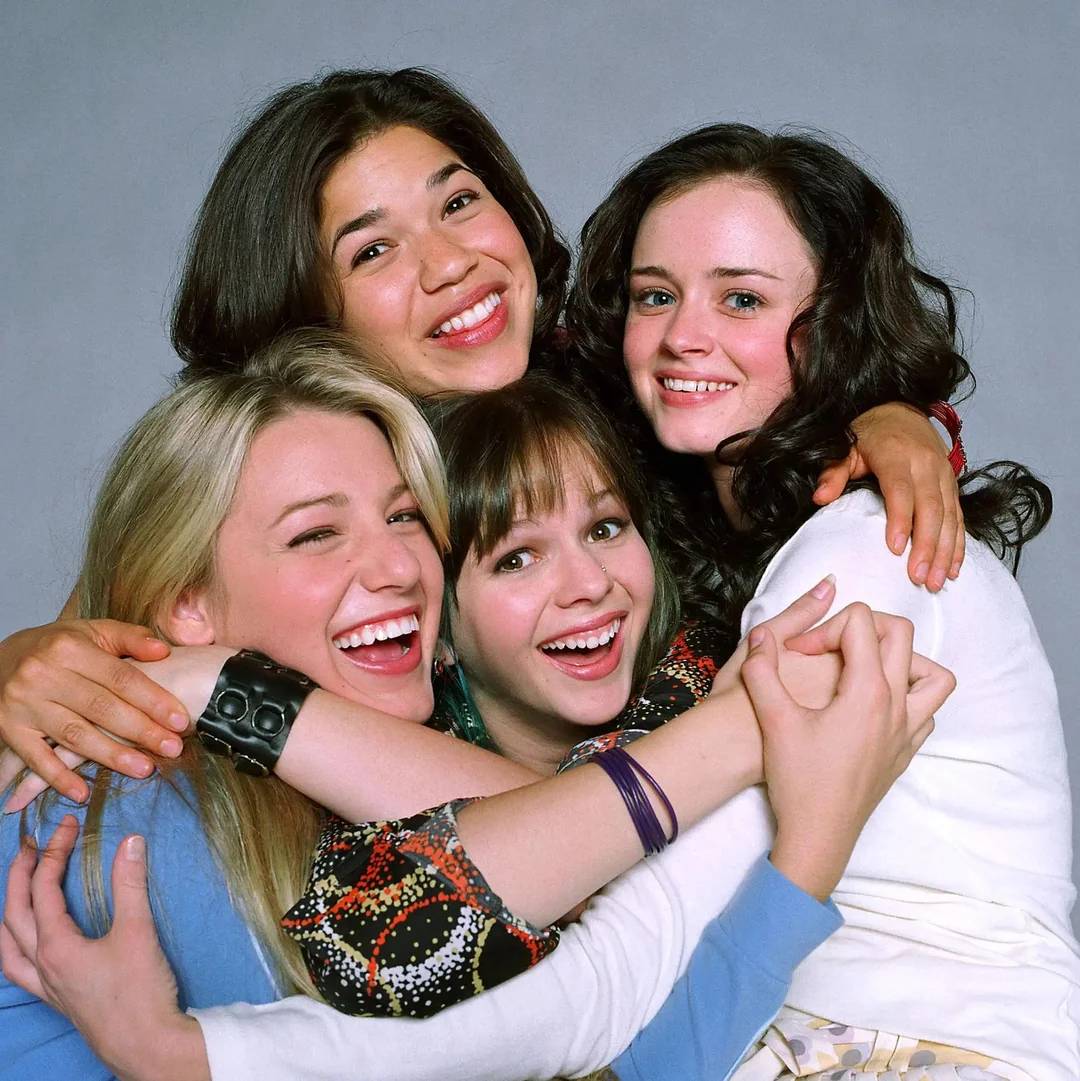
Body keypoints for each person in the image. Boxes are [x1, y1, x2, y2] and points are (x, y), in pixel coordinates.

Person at [0, 69, 967, 807]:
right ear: (299, 305)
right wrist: (16, 665)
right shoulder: (244, 468)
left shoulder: (604, 385)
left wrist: (888, 414)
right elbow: (92, 647)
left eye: (460, 202)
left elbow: (769, 395)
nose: (453, 264)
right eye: (373, 249)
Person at [0, 334, 948, 1079]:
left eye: (406, 515)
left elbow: (618, 1043)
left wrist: (893, 416)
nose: (397, 567)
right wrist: (751, 732)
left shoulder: (367, 801)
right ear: (187, 607)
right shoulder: (115, 805)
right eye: (317, 532)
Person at [565, 121, 1080, 1079]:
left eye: (744, 297)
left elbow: (646, 932)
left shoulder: (857, 551)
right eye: (655, 296)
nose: (684, 335)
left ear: (836, 325)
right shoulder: (639, 531)